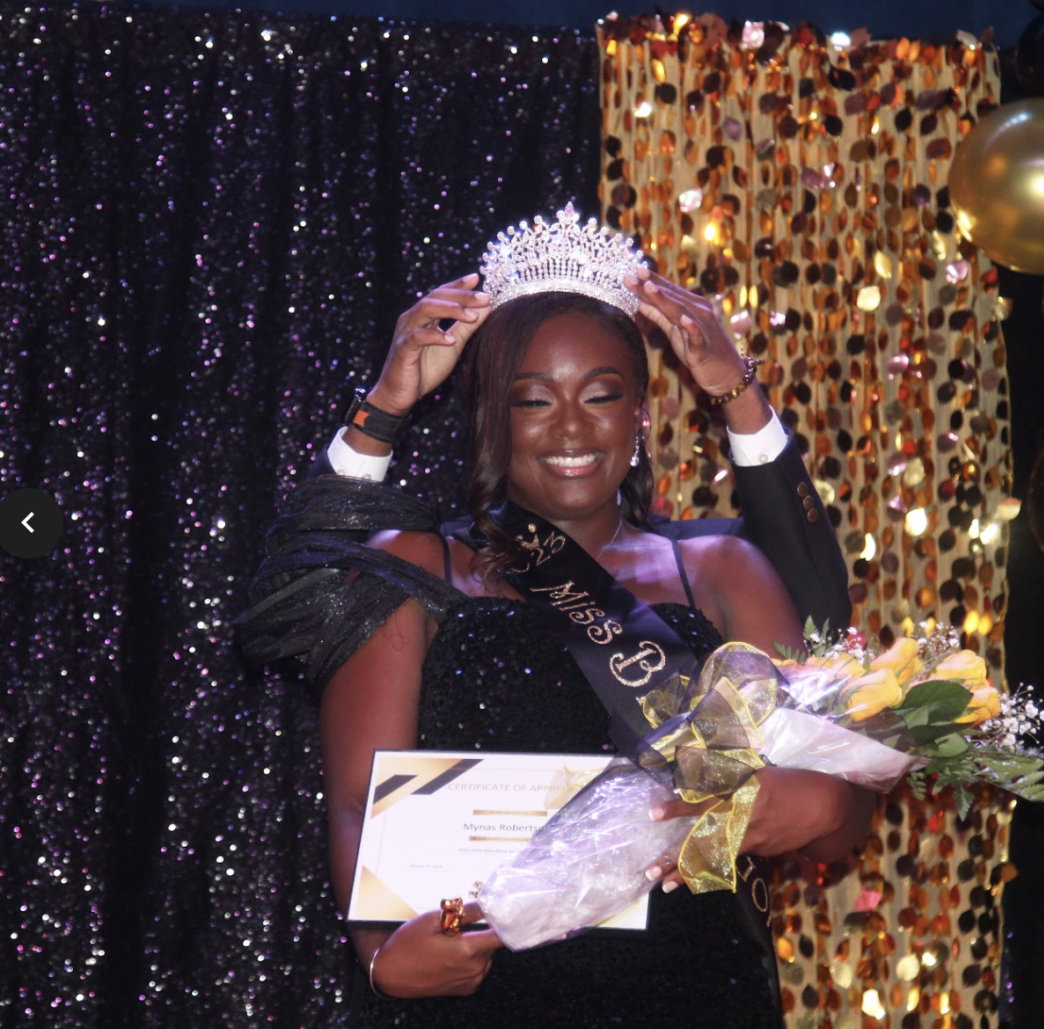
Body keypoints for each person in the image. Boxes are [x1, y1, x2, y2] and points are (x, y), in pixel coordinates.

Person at [241, 209, 872, 1027]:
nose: (572, 427)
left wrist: (826, 804)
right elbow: (358, 794)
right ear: (492, 418)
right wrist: (380, 952)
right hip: (483, 991)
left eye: (602, 395)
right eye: (534, 400)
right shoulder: (422, 562)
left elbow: (838, 813)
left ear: (642, 411)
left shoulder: (717, 569)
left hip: (695, 994)